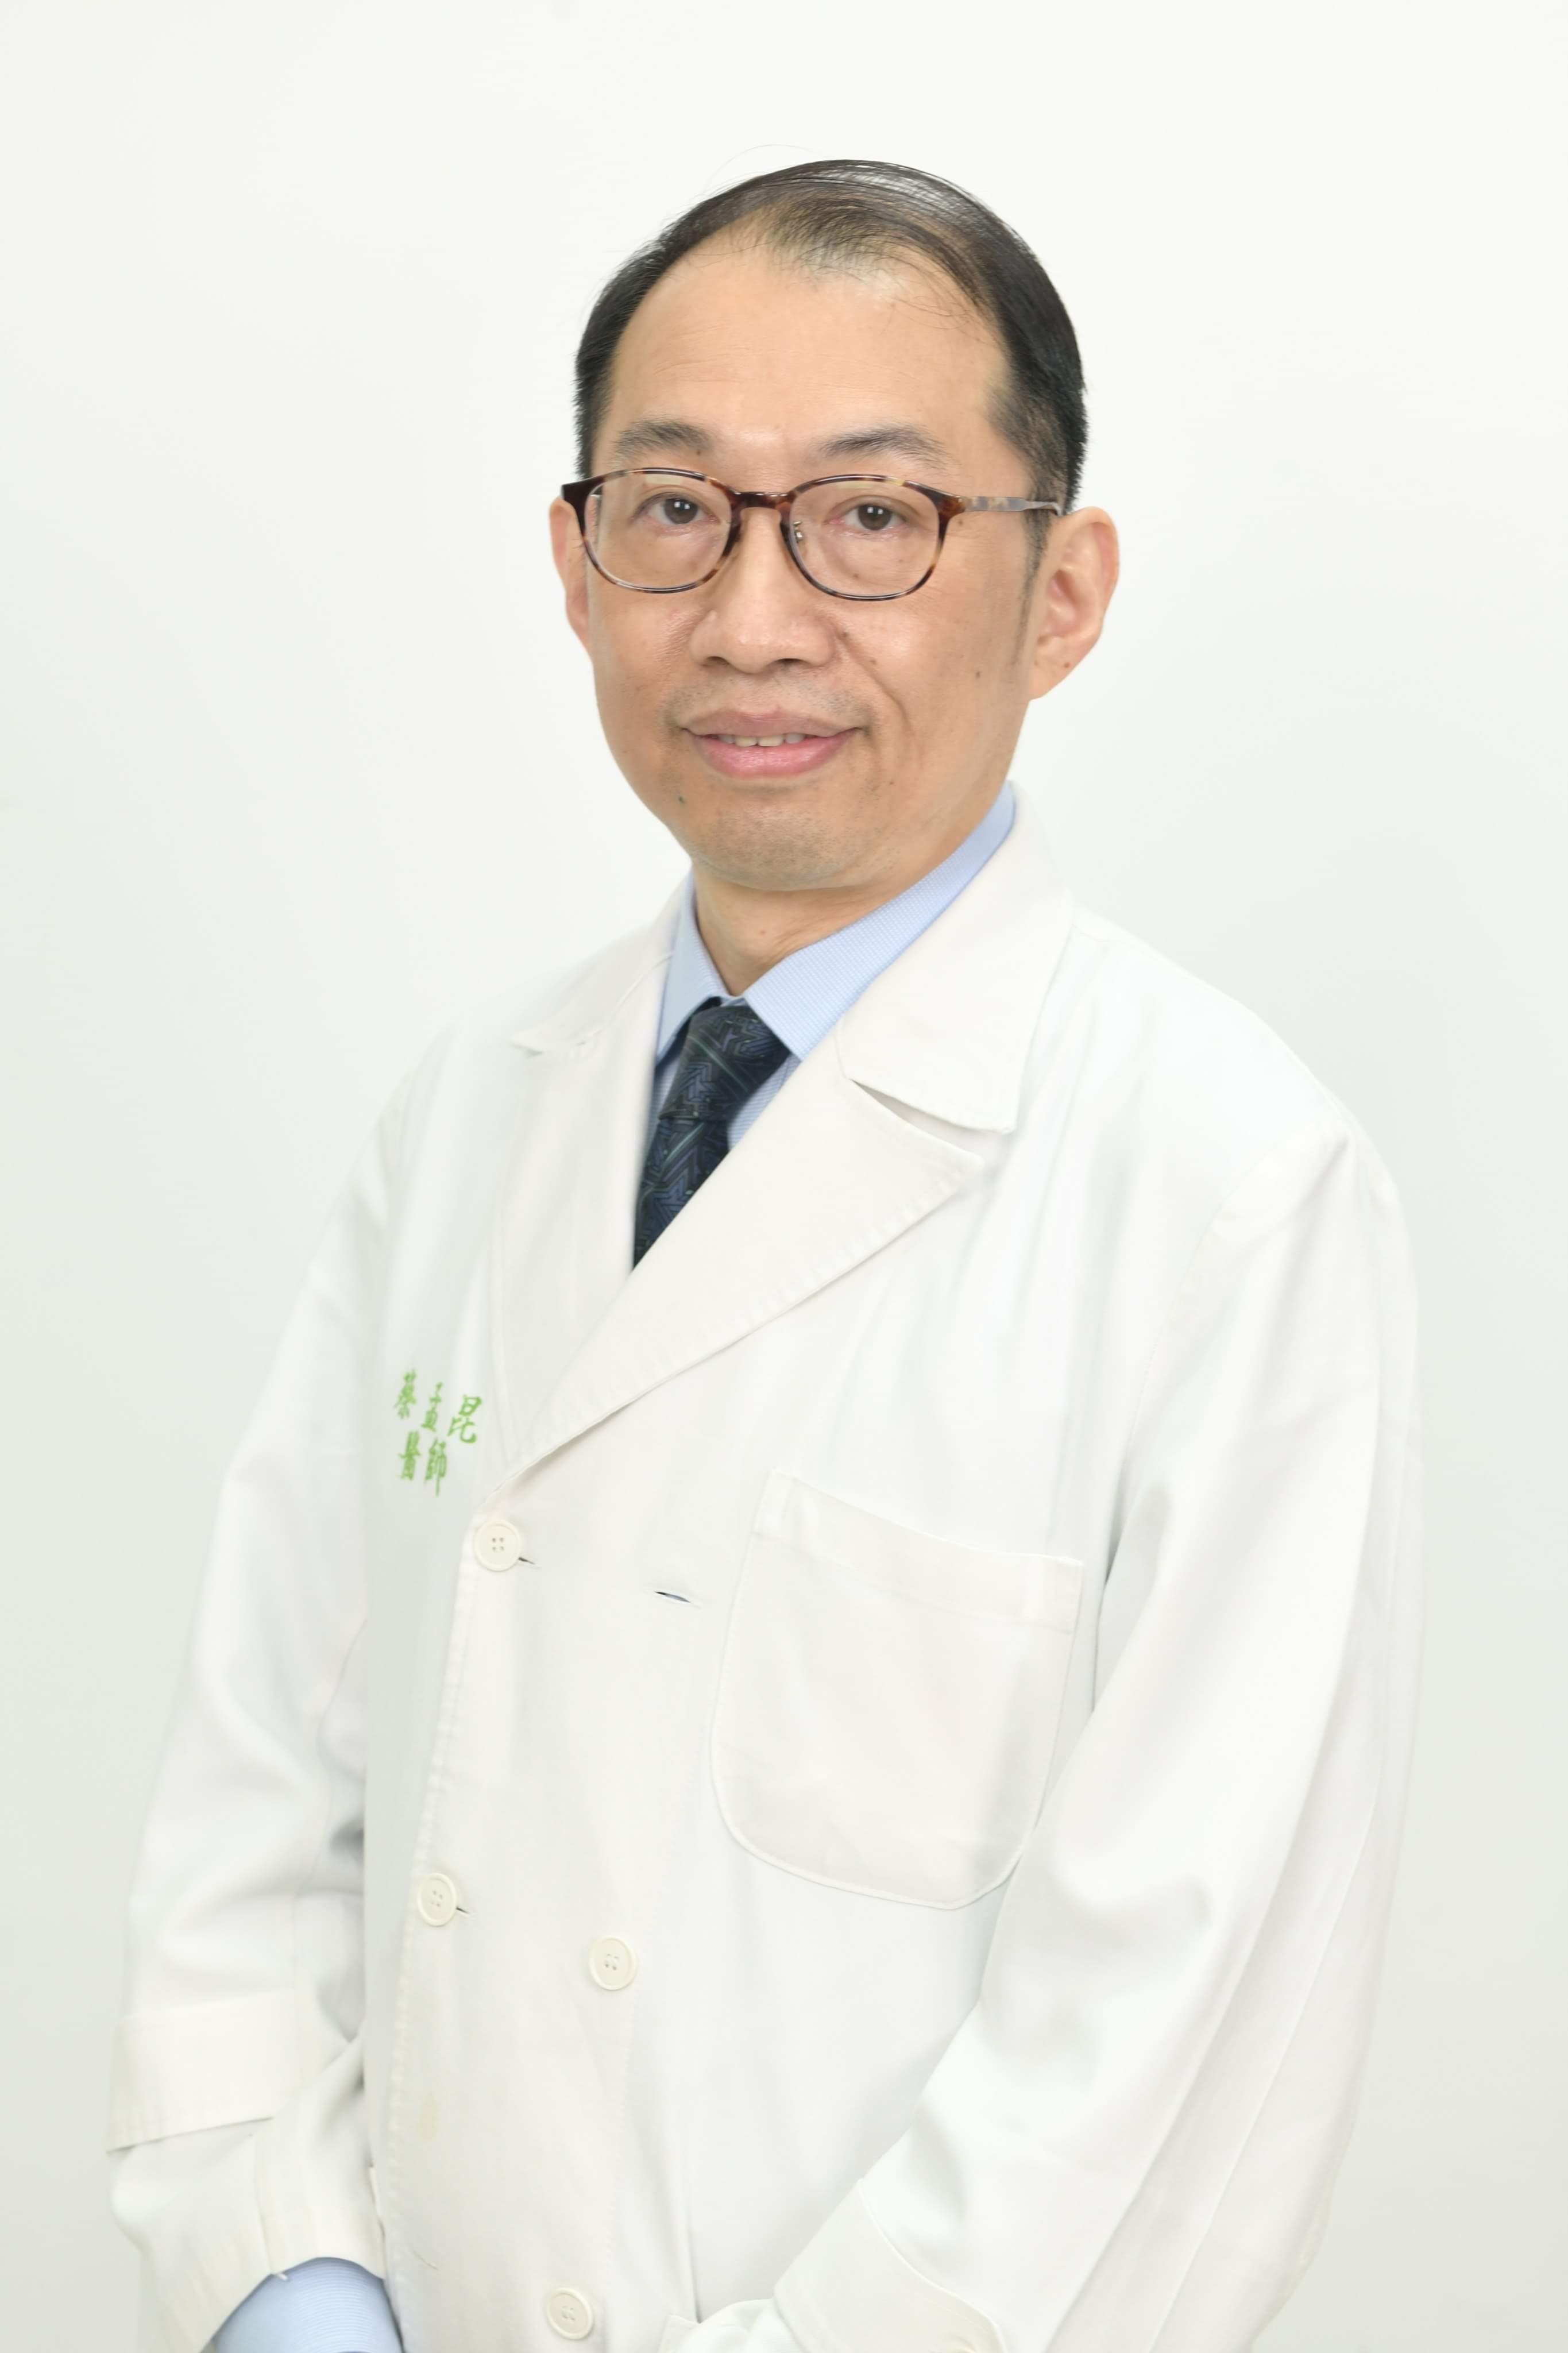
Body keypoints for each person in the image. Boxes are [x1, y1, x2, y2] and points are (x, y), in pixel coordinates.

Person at [109, 159, 1422, 2353]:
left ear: (1063, 593)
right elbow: (263, 1803)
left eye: (870, 519)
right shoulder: (471, 1116)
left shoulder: (1225, 1190)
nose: (750, 621)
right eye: (673, 511)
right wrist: (284, 2279)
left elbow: (1174, 2057)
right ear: (573, 566)